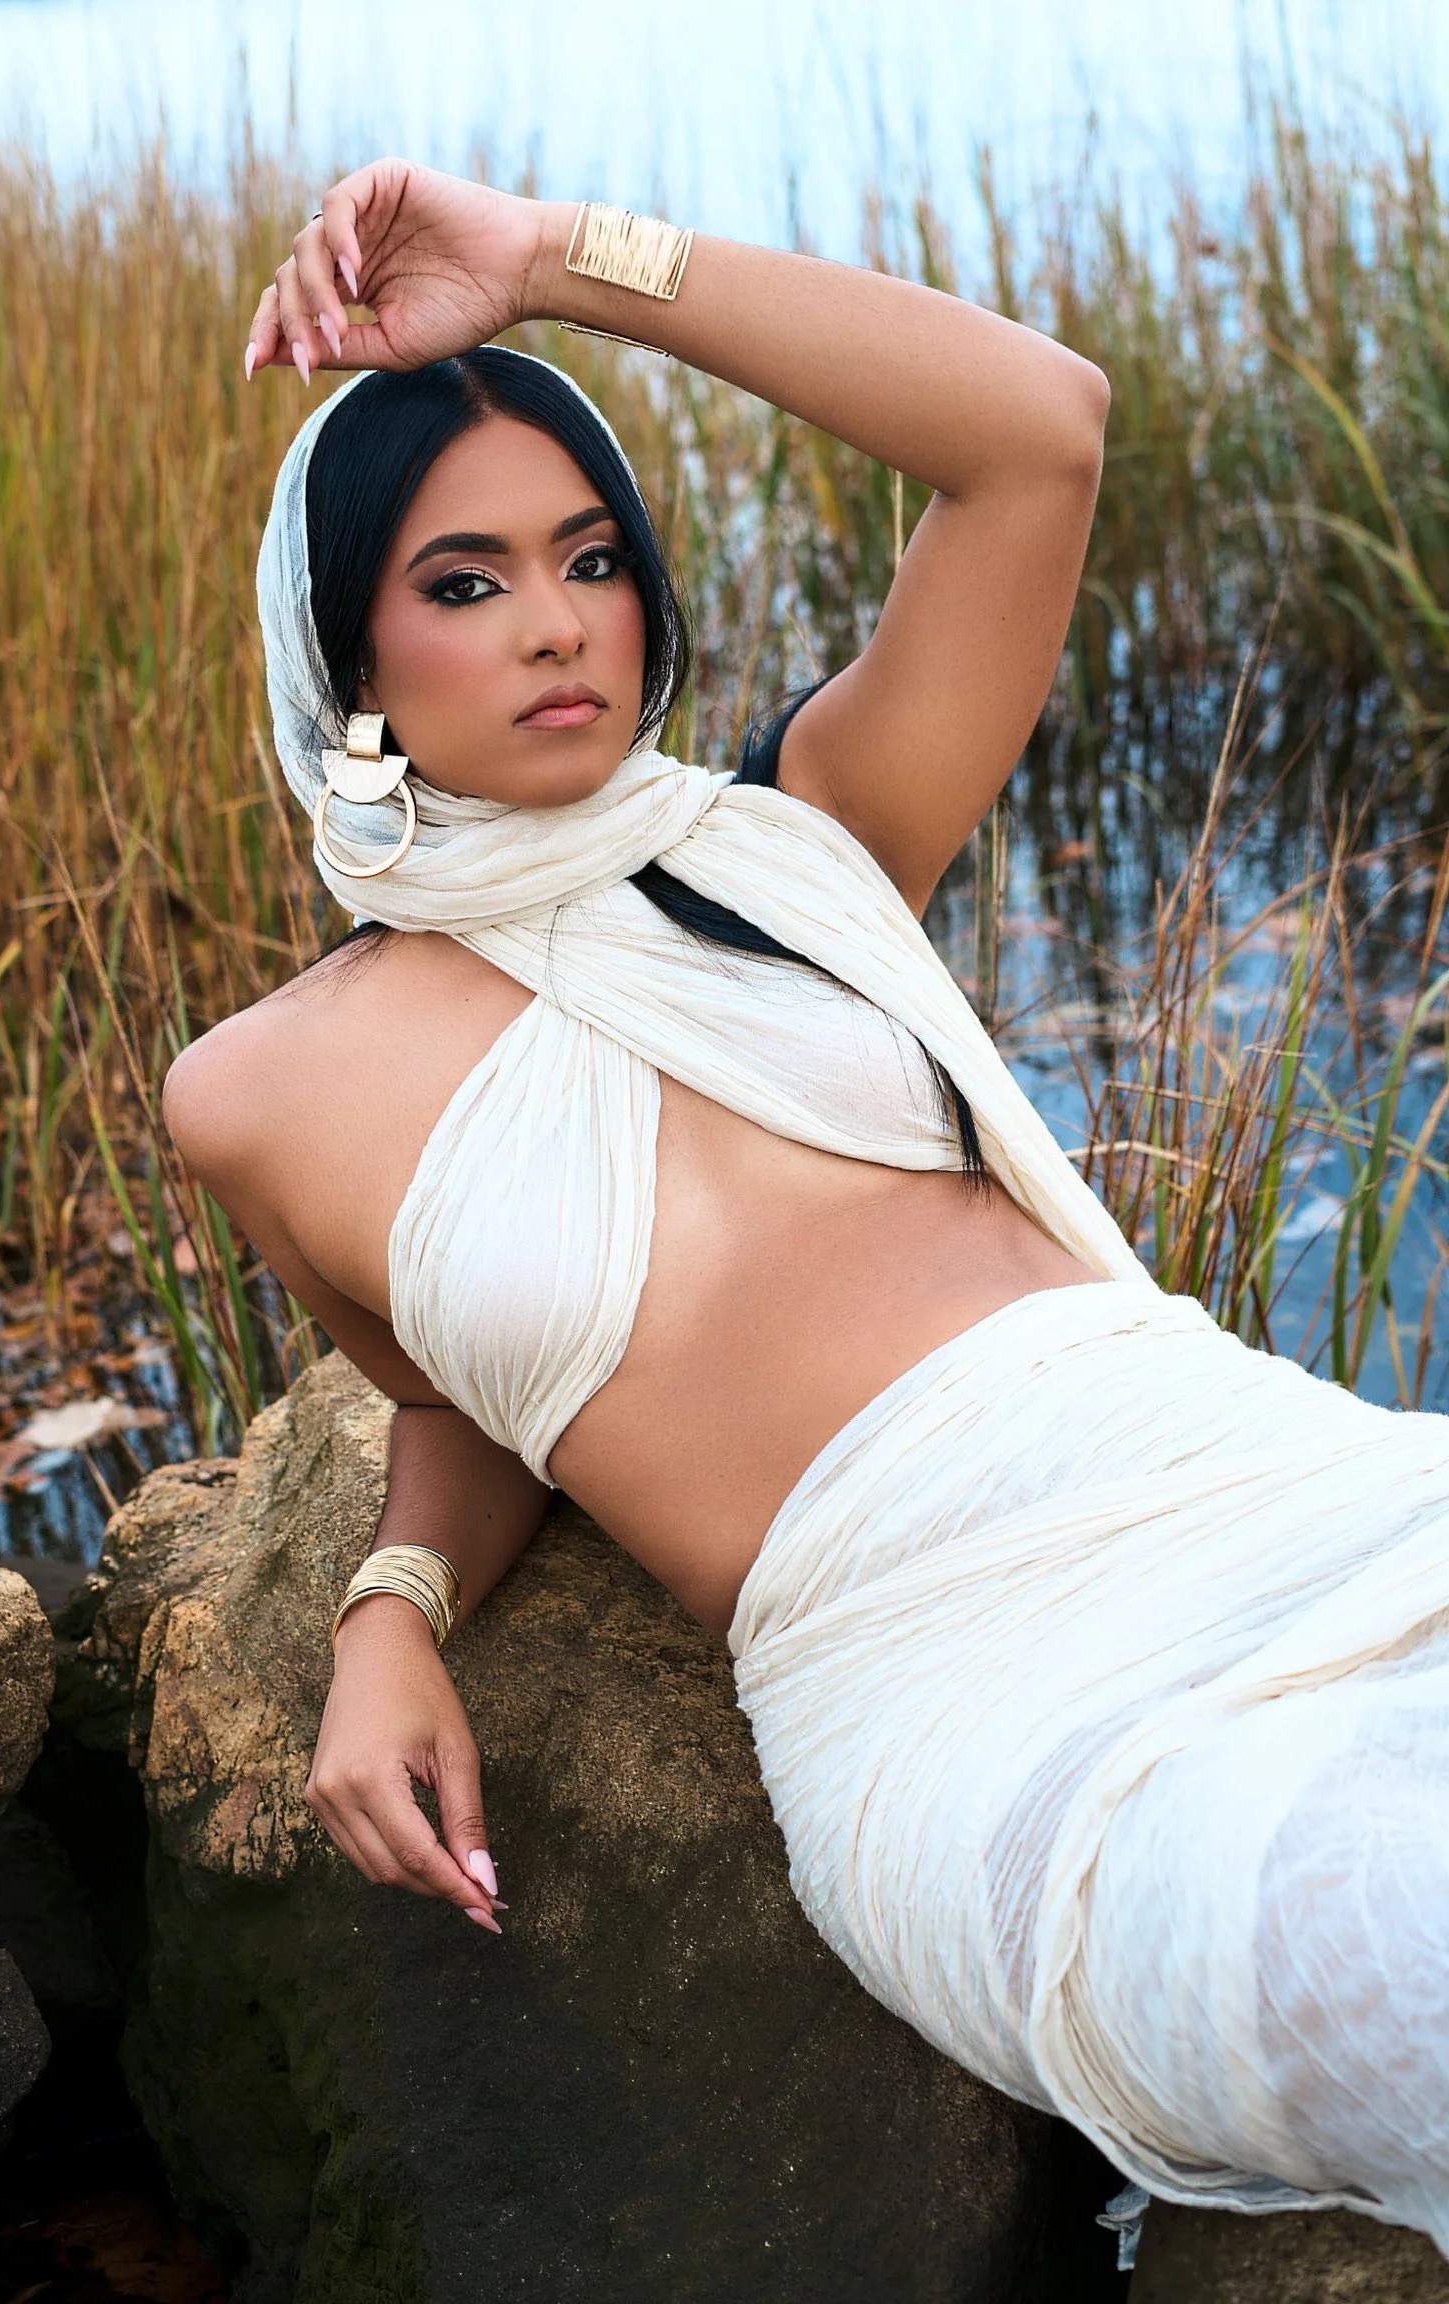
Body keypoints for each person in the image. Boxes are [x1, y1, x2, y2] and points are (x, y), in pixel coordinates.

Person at [162, 159, 1449, 2250]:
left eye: (590, 556)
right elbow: (467, 1394)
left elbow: (1037, 432)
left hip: (1260, 1483)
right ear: (348, 651)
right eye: (466, 581)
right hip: (964, 1697)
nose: (564, 618)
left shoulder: (808, 844)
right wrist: (390, 1616)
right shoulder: (263, 1094)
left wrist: (561, 265)